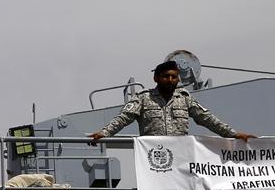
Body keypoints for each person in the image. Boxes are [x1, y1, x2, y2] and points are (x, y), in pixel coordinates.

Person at [90, 60, 255, 142]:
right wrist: (104, 133)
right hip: (154, 158)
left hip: (180, 158)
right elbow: (123, 118)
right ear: (156, 78)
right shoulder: (143, 98)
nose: (170, 80)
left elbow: (207, 118)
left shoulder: (184, 98)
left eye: (174, 77)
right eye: (166, 76)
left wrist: (233, 134)